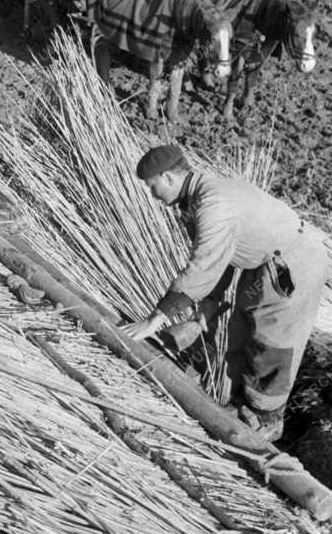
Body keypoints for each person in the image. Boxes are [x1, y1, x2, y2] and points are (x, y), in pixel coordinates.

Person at [126, 144, 331, 442]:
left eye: (152, 186)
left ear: (168, 177)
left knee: (272, 342)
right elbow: (222, 257)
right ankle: (238, 404)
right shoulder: (199, 198)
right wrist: (208, 303)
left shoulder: (213, 205)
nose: (153, 195)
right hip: (264, 263)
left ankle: (264, 422)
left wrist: (156, 318)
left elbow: (203, 264)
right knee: (241, 329)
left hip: (295, 262)